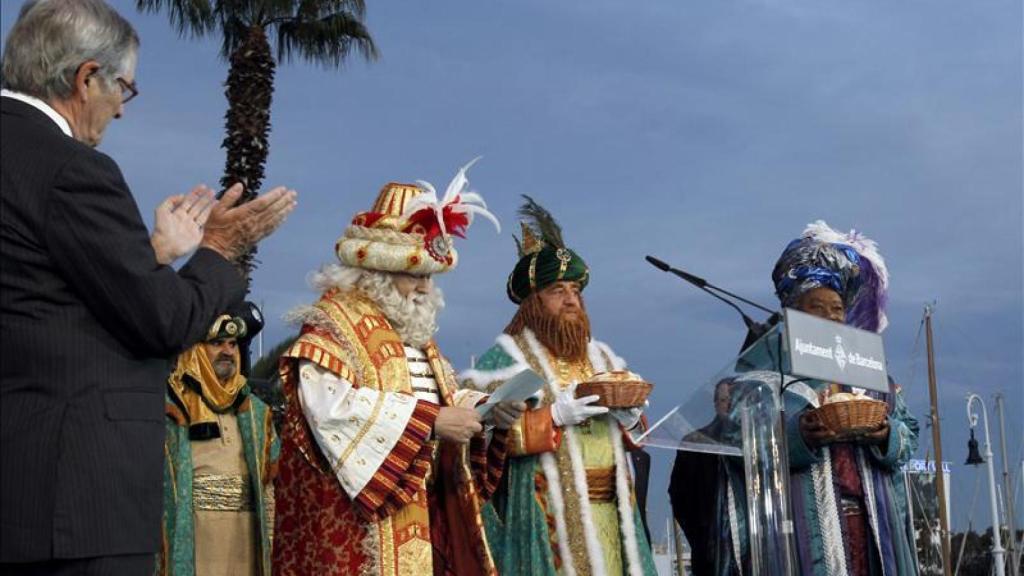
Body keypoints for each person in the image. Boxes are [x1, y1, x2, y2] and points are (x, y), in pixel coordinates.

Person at [0, 1, 296, 573]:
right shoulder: (71, 170)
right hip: (74, 505)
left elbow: (44, 293)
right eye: (124, 89)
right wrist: (220, 249)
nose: (120, 109)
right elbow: (163, 322)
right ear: (86, 77)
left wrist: (151, 256)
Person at [272, 163, 525, 575]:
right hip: (357, 529)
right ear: (376, 270)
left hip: (422, 514)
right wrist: (432, 422)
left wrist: (487, 410)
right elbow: (331, 411)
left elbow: (434, 397)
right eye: (415, 275)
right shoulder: (333, 324)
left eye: (430, 276)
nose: (425, 288)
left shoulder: (413, 332)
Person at [461, 196, 657, 576]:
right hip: (545, 513)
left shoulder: (603, 357)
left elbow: (635, 439)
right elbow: (476, 437)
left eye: (576, 290)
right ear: (532, 303)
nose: (571, 300)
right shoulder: (505, 359)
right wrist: (552, 417)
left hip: (612, 515)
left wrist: (631, 422)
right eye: (558, 291)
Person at [773, 221, 919, 576]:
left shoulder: (869, 369)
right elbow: (740, 437)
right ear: (793, 312)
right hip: (806, 529)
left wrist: (886, 434)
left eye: (837, 309)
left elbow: (909, 433)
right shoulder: (772, 371)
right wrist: (798, 435)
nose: (829, 317)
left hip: (874, 524)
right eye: (817, 307)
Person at [160, 303, 279, 576]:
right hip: (195, 541)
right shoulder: (171, 407)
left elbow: (270, 488)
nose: (228, 351)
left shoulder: (256, 412)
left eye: (233, 344)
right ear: (195, 350)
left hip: (245, 541)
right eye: (217, 343)